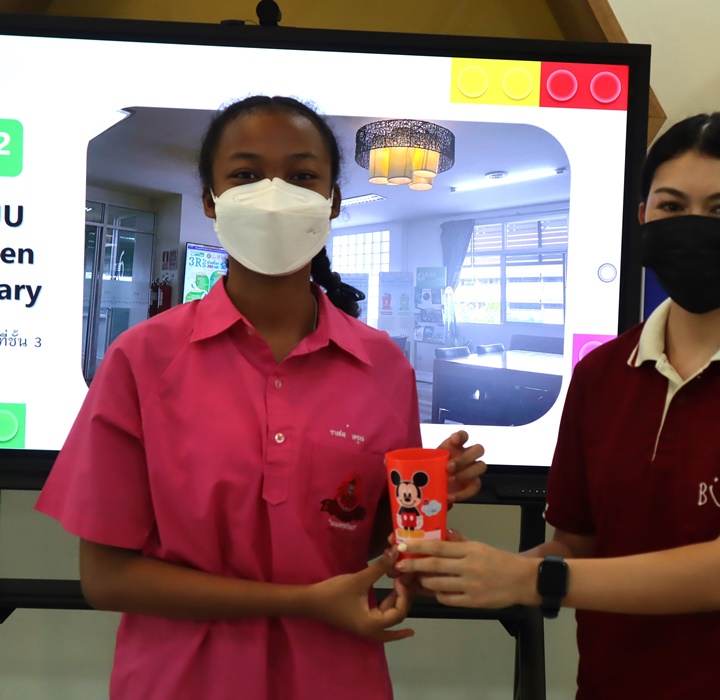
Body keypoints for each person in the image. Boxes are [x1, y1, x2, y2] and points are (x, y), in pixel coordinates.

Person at [397, 112, 720, 699]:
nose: (694, 226)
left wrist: (530, 578)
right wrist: (475, 569)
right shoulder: (600, 374)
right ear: (643, 217)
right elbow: (576, 548)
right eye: (672, 206)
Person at [35, 95, 485, 700]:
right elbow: (107, 579)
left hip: (334, 680)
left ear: (333, 200)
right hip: (181, 682)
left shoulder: (383, 367)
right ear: (210, 199)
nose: (274, 196)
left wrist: (426, 509)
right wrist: (302, 602)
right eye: (246, 175)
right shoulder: (143, 359)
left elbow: (379, 545)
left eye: (302, 176)